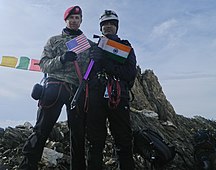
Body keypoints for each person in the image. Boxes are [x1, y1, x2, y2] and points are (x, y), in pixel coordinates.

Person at [19, 5, 93, 170]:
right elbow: (44, 65)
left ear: (81, 21)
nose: (74, 21)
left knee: (78, 136)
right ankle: (26, 167)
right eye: (71, 18)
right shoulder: (53, 41)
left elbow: (99, 62)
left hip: (78, 91)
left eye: (77, 18)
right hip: (54, 87)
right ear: (66, 20)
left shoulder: (89, 44)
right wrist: (62, 59)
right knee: (41, 130)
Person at [86, 10, 137, 170]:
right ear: (101, 28)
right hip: (95, 96)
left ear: (116, 27)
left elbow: (130, 73)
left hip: (119, 95)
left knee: (123, 140)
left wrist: (106, 64)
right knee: (95, 141)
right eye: (105, 24)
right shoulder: (94, 47)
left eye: (111, 24)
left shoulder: (126, 47)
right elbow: (86, 74)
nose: (108, 26)